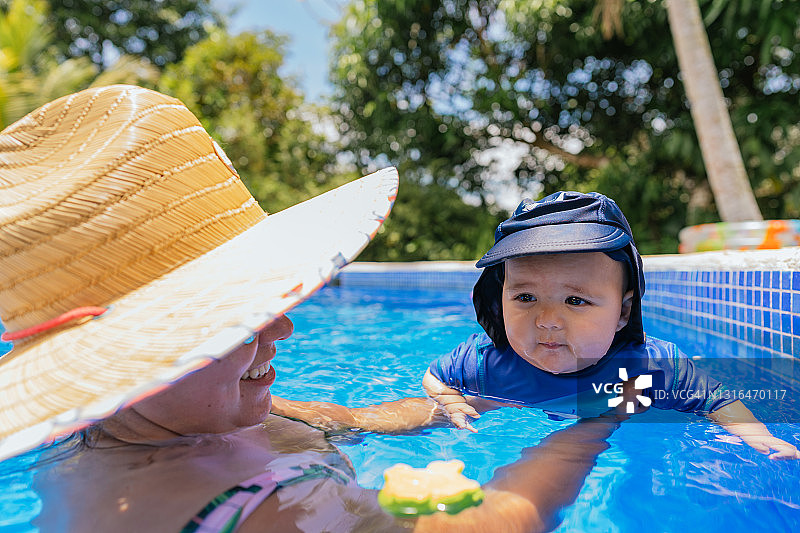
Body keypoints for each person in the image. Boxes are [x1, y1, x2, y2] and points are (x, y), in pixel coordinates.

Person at [1, 85, 625, 533]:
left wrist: (480, 401)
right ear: (133, 353)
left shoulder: (165, 421)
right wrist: (593, 425)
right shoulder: (256, 514)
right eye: (239, 313)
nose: (284, 324)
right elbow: (497, 522)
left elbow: (351, 419)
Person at [419, 191, 799, 459]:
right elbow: (434, 377)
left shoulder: (652, 366)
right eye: (526, 297)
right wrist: (449, 401)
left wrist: (755, 434)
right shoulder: (486, 361)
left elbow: (717, 400)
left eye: (575, 301)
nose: (547, 321)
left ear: (622, 311)